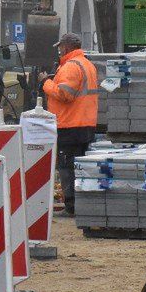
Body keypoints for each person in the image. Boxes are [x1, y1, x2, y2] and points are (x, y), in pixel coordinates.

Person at [42, 32, 100, 214]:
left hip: (70, 125)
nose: (59, 51)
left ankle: (72, 206)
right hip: (85, 123)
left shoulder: (71, 66)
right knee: (80, 168)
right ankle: (81, 204)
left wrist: (46, 82)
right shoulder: (87, 64)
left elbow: (64, 94)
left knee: (67, 167)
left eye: (60, 48)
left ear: (66, 47)